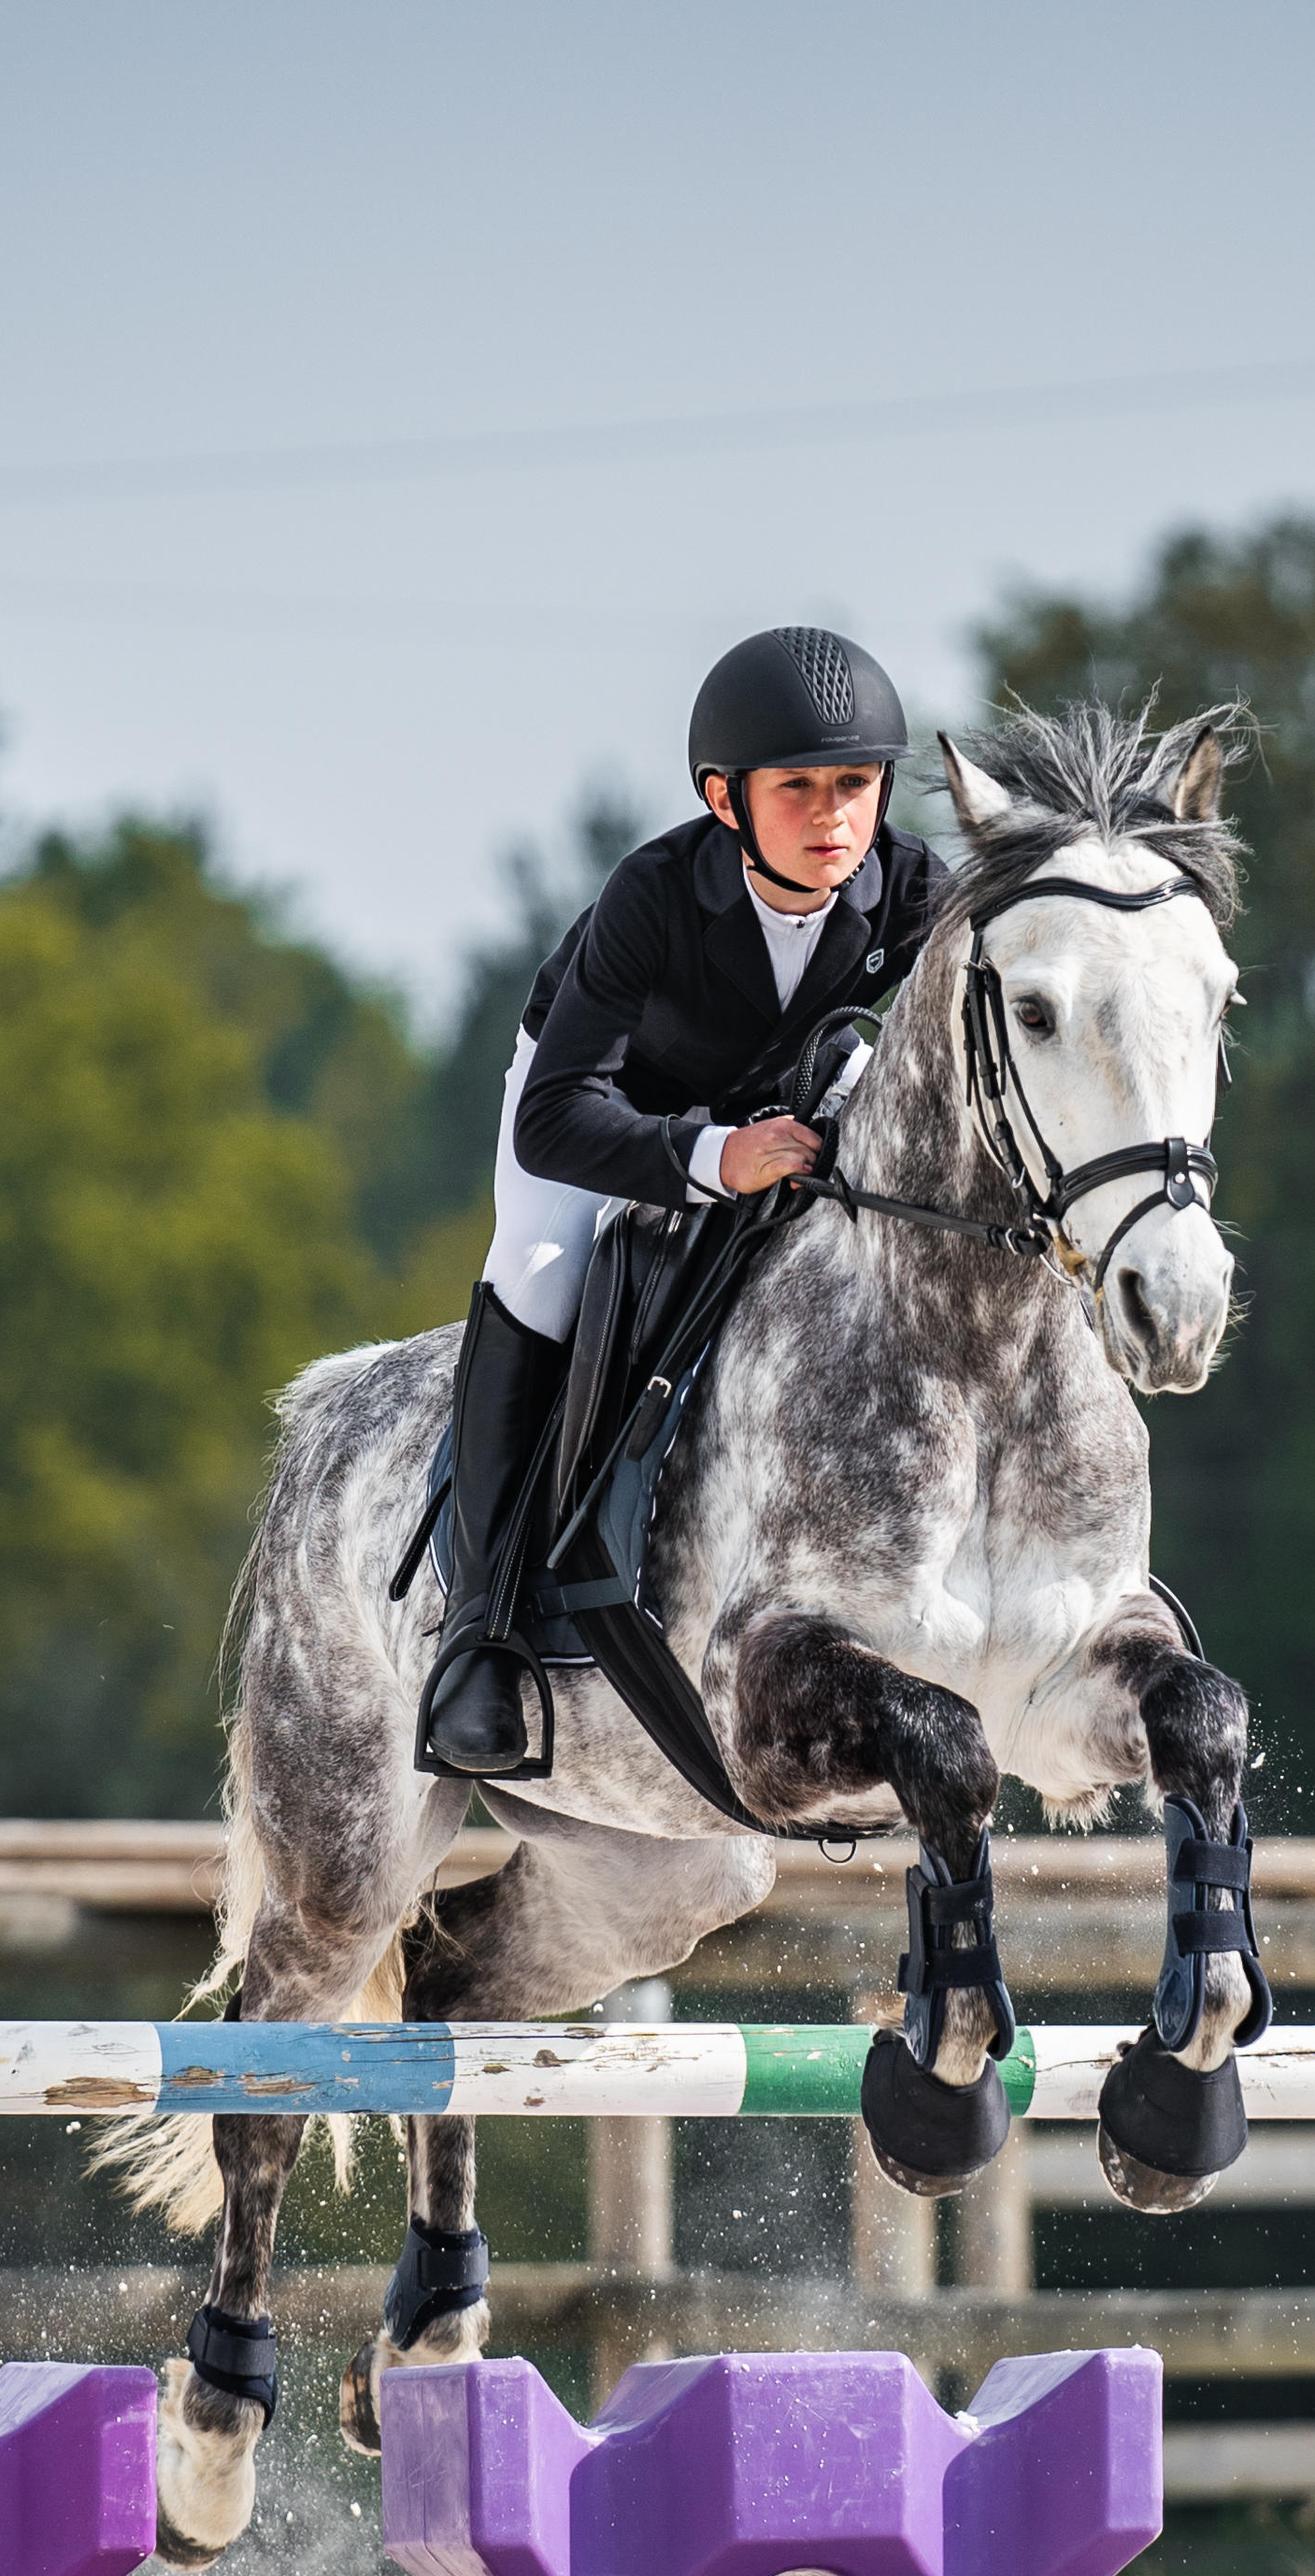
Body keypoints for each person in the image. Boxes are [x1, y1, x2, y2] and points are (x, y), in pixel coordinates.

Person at [417, 624, 949, 1781]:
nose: (833, 817)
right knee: (543, 1276)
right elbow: (552, 1118)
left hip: (788, 1108)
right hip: (607, 1105)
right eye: (797, 788)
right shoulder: (652, 897)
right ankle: (481, 1636)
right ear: (724, 798)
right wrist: (712, 1157)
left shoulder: (912, 891)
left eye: (855, 784)